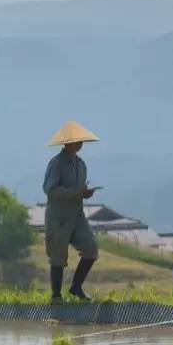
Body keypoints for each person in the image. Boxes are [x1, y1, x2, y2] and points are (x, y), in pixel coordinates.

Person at [42, 120, 101, 302]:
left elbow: (79, 191)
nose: (80, 144)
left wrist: (85, 194)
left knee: (91, 249)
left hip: (77, 216)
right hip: (58, 218)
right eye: (76, 141)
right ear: (67, 143)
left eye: (81, 141)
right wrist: (76, 192)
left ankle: (76, 287)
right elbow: (50, 189)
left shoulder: (81, 164)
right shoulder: (56, 163)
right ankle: (56, 295)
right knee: (58, 256)